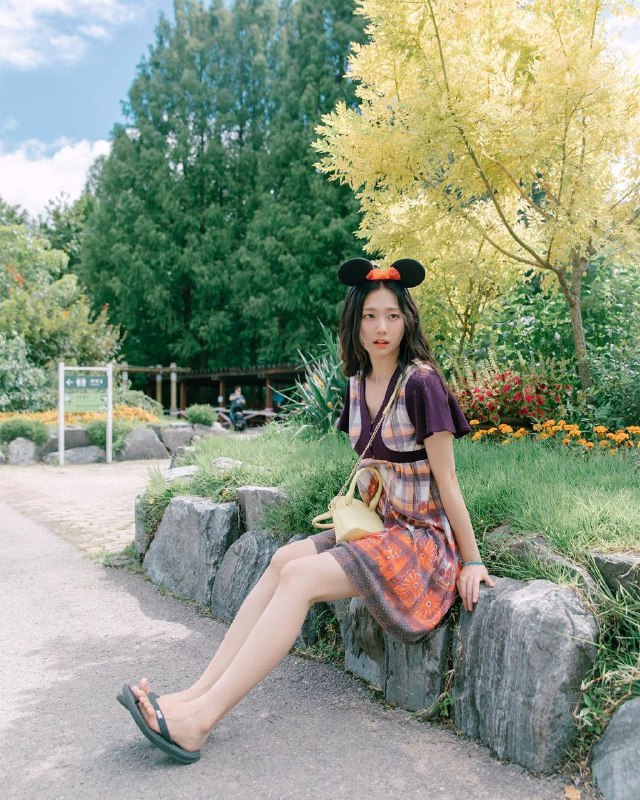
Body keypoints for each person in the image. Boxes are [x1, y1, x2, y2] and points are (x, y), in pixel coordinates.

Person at [118, 256, 495, 763]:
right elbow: (372, 468)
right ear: (354, 322)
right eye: (369, 316)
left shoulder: (421, 382)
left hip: (422, 543)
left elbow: (447, 481)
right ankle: (189, 697)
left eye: (392, 316)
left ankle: (200, 721)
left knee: (299, 579)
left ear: (407, 320)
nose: (381, 328)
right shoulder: (357, 384)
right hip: (382, 528)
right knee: (282, 561)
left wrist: (471, 560)